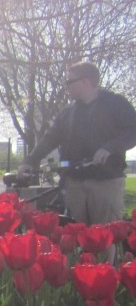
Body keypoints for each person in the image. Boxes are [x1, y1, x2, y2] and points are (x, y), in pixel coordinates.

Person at [20, 61, 136, 225]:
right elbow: (50, 138)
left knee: (105, 234)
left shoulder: (115, 104)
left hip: (106, 182)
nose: (66, 86)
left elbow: (132, 131)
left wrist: (110, 148)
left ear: (85, 82)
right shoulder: (68, 112)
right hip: (74, 183)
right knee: (73, 234)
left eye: (69, 81)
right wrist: (30, 161)